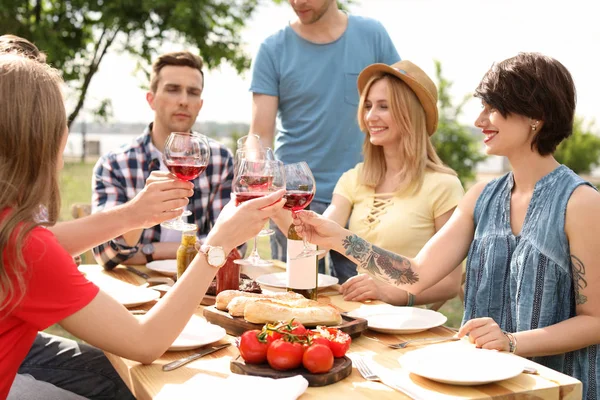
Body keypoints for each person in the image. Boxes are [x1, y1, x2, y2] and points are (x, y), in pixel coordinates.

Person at [293, 52, 600, 398]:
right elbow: (415, 274)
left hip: (554, 388)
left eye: (492, 108)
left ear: (536, 116)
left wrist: (512, 342)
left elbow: (596, 320)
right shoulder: (481, 196)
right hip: (481, 384)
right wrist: (338, 237)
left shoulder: (581, 202)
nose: (479, 119)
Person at [0, 54, 286, 400]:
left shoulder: (13, 231)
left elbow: (45, 242)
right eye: (63, 119)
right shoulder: (27, 247)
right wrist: (217, 245)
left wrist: (134, 214)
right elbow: (145, 343)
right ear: (40, 137)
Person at [273, 60, 464, 307]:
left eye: (384, 107)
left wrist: (388, 293)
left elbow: (449, 284)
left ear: (410, 114)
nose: (371, 116)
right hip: (361, 318)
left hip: (412, 328)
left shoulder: (444, 186)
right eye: (369, 106)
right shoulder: (354, 178)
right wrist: (275, 207)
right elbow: (317, 240)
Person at [249, 0, 400, 269]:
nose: (298, 2)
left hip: (364, 194)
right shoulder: (272, 49)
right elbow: (259, 135)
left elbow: (403, 110)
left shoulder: (372, 35)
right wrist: (262, 183)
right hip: (296, 198)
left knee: (361, 300)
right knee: (299, 298)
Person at [92, 51, 235, 269]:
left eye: (193, 93)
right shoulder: (115, 164)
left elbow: (232, 245)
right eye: (173, 89)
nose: (184, 101)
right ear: (151, 99)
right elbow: (105, 254)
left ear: (200, 104)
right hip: (137, 286)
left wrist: (146, 251)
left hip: (203, 287)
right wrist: (167, 249)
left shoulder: (220, 160)